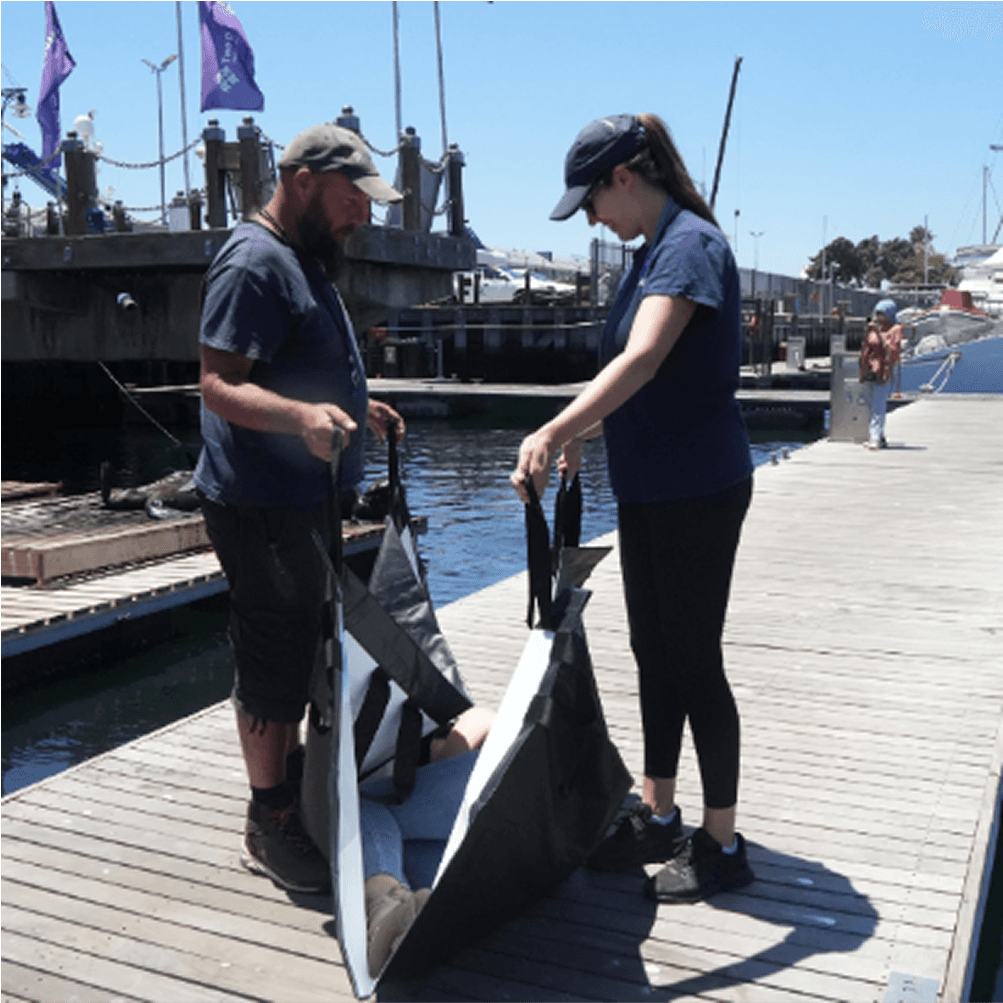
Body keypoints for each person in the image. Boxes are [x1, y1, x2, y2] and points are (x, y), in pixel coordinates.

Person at [511, 113, 755, 904]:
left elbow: (646, 357)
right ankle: (656, 810)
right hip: (649, 485)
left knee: (694, 658)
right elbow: (625, 364)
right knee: (653, 648)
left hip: (699, 486)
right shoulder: (648, 252)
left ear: (625, 176)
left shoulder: (689, 245)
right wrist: (587, 432)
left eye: (590, 200)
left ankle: (721, 841)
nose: (590, 219)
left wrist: (555, 427)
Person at [193, 122, 407, 900]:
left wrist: (356, 404)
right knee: (270, 652)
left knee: (297, 646)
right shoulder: (253, 260)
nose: (364, 216)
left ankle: (287, 790)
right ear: (309, 180)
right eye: (355, 199)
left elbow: (293, 364)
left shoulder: (300, 257)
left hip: (301, 497)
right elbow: (218, 383)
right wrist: (303, 420)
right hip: (261, 502)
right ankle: (266, 817)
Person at [859, 298, 903, 449]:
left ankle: (875, 439)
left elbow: (892, 350)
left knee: (878, 406)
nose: (879, 318)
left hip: (883, 372)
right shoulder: (874, 328)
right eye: (877, 314)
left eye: (882, 314)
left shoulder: (896, 329)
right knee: (870, 405)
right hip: (870, 370)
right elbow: (867, 348)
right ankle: (879, 436)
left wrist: (877, 332)